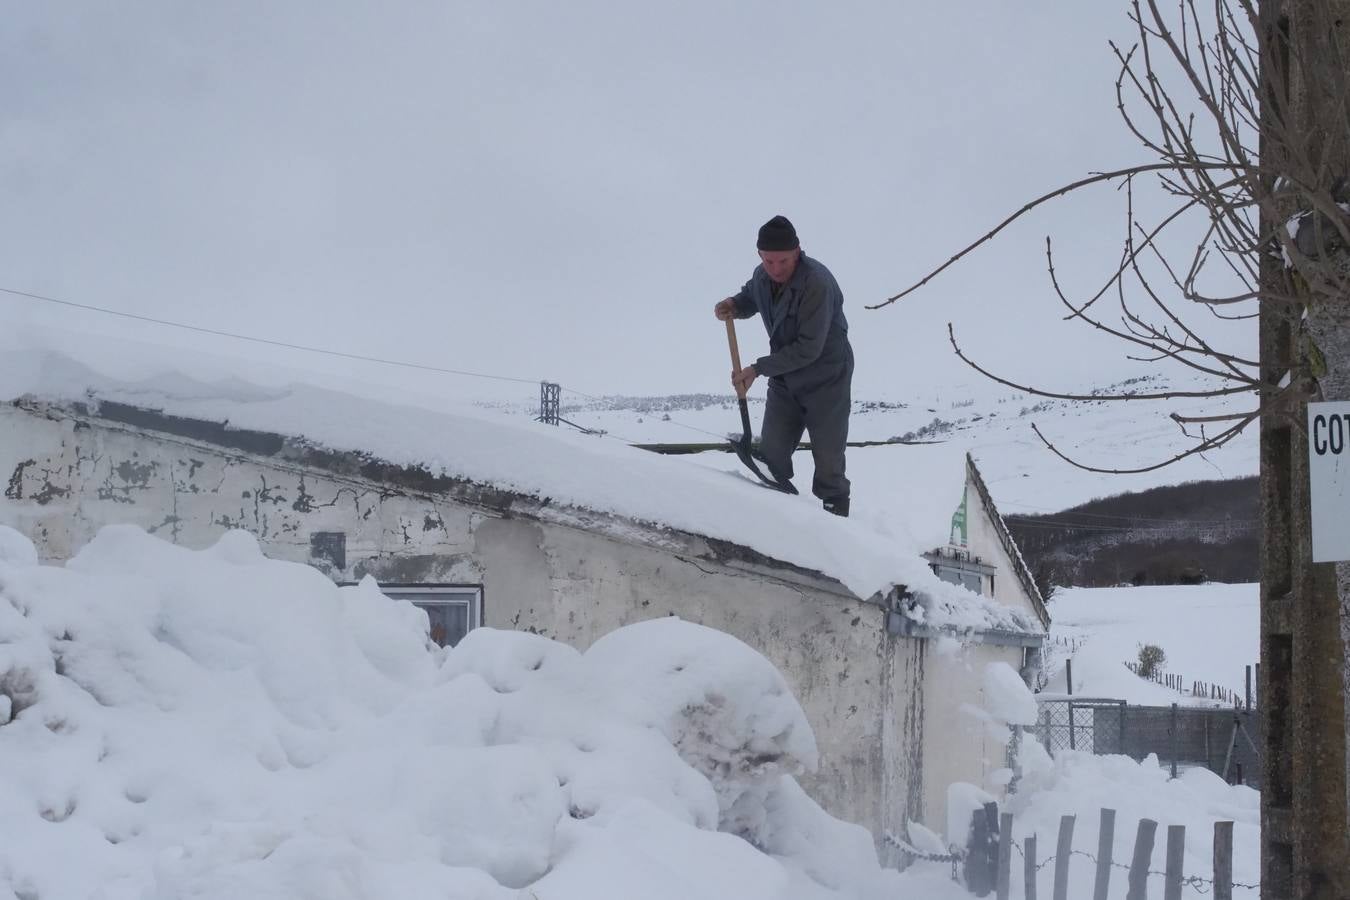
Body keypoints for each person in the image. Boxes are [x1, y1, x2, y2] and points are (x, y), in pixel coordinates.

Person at [714, 215, 853, 517]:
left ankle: (838, 529)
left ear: (798, 251)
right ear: (760, 257)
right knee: (771, 457)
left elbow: (808, 348)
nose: (776, 269)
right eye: (769, 261)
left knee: (829, 461)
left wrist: (756, 369)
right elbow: (752, 295)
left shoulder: (817, 283)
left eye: (784, 261)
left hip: (826, 378)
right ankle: (779, 525)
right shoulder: (762, 276)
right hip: (785, 376)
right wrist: (734, 305)